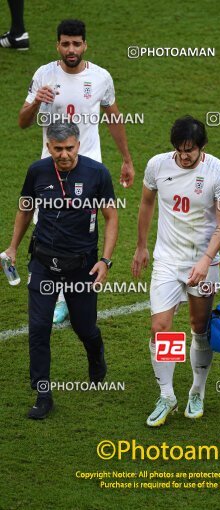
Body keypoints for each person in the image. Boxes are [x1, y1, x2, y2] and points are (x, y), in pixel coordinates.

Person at [18, 18, 134, 324]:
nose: (71, 49)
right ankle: (56, 294)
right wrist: (34, 104)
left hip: (88, 164)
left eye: (77, 43)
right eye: (66, 44)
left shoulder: (100, 77)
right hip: (51, 163)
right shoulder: (44, 73)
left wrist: (126, 159)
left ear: (85, 44)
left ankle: (78, 290)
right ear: (58, 45)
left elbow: (114, 117)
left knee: (83, 227)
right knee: (48, 224)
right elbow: (23, 121)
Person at [3, 122, 118, 420]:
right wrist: (13, 247)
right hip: (42, 264)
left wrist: (105, 261)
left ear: (78, 144)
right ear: (48, 146)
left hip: (81, 267)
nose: (64, 154)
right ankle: (43, 394)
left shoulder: (97, 174)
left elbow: (111, 217)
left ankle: (96, 353)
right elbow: (25, 208)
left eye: (69, 148)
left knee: (84, 328)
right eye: (58, 149)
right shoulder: (37, 171)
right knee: (39, 328)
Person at [132, 116, 220, 427]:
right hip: (166, 260)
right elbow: (147, 203)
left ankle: (197, 390)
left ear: (201, 147)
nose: (184, 155)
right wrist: (141, 246)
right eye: (179, 150)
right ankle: (167, 395)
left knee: (199, 326)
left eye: (190, 150)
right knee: (162, 328)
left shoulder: (219, 172)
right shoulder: (158, 166)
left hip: (203, 262)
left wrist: (206, 259)